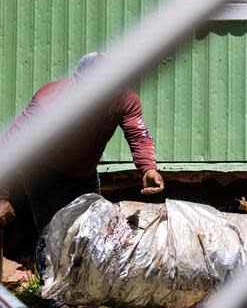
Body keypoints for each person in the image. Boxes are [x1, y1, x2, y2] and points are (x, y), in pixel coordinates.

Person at [0, 52, 164, 238]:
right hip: (42, 175)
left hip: (83, 175)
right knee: (52, 236)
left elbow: (138, 135)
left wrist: (148, 168)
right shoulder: (50, 100)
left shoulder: (124, 99)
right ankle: (46, 266)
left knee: (92, 232)